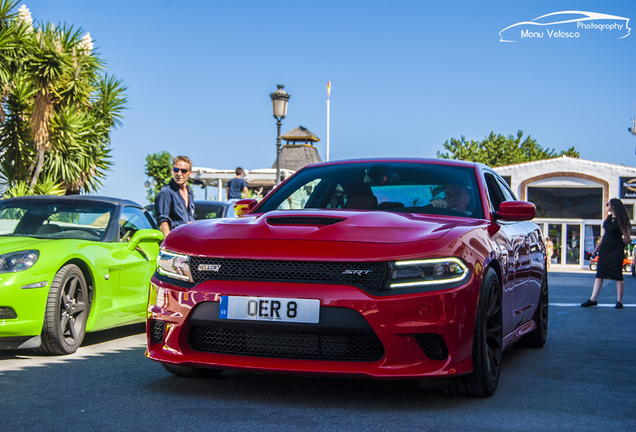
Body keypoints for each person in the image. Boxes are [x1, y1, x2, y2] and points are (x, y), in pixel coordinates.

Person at [581, 198, 631, 309]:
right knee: (600, 274)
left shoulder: (621, 220)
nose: (607, 205)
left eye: (608, 204)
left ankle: (619, 301)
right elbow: (604, 235)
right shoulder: (608, 218)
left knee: (618, 275)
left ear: (614, 206)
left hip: (615, 250)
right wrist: (597, 248)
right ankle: (593, 299)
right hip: (605, 250)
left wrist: (619, 247)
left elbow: (627, 238)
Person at [155, 156, 195, 238]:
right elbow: (163, 221)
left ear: (190, 173)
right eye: (176, 170)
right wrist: (169, 244)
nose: (179, 174)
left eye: (183, 171)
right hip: (174, 242)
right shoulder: (166, 192)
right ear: (172, 171)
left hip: (188, 240)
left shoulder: (189, 192)